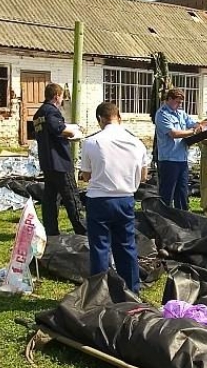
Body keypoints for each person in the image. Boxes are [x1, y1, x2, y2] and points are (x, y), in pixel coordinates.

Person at [80, 101, 148, 292]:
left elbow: (86, 175)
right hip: (125, 198)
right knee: (127, 246)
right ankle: (131, 290)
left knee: (100, 248)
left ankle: (100, 292)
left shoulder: (91, 142)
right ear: (119, 117)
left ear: (100, 119)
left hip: (99, 199)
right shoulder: (136, 142)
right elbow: (143, 175)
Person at [33, 82, 87, 236]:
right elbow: (59, 129)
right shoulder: (51, 111)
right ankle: (83, 230)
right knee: (72, 199)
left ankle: (51, 231)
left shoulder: (38, 114)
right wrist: (75, 133)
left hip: (47, 162)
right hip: (60, 162)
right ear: (57, 96)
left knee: (50, 200)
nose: (62, 99)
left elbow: (48, 132)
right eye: (62, 96)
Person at [154, 88, 203, 210]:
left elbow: (193, 123)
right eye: (177, 101)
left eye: (181, 102)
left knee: (182, 190)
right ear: (169, 99)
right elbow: (173, 133)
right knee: (167, 191)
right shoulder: (162, 114)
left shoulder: (181, 114)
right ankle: (164, 215)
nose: (179, 104)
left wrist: (200, 127)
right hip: (168, 159)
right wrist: (192, 132)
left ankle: (182, 215)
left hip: (182, 158)